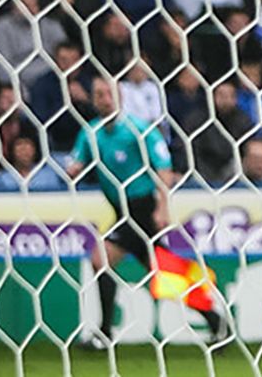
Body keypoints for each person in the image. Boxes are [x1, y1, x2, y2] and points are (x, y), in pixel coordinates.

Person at [67, 76, 225, 348]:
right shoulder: (90, 133)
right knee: (162, 272)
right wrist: (73, 169)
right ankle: (214, 320)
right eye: (99, 94)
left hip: (142, 209)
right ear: (93, 99)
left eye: (109, 93)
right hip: (120, 210)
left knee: (100, 259)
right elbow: (75, 161)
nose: (104, 98)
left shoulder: (139, 130)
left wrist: (163, 208)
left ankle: (104, 335)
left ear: (121, 97)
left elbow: (164, 169)